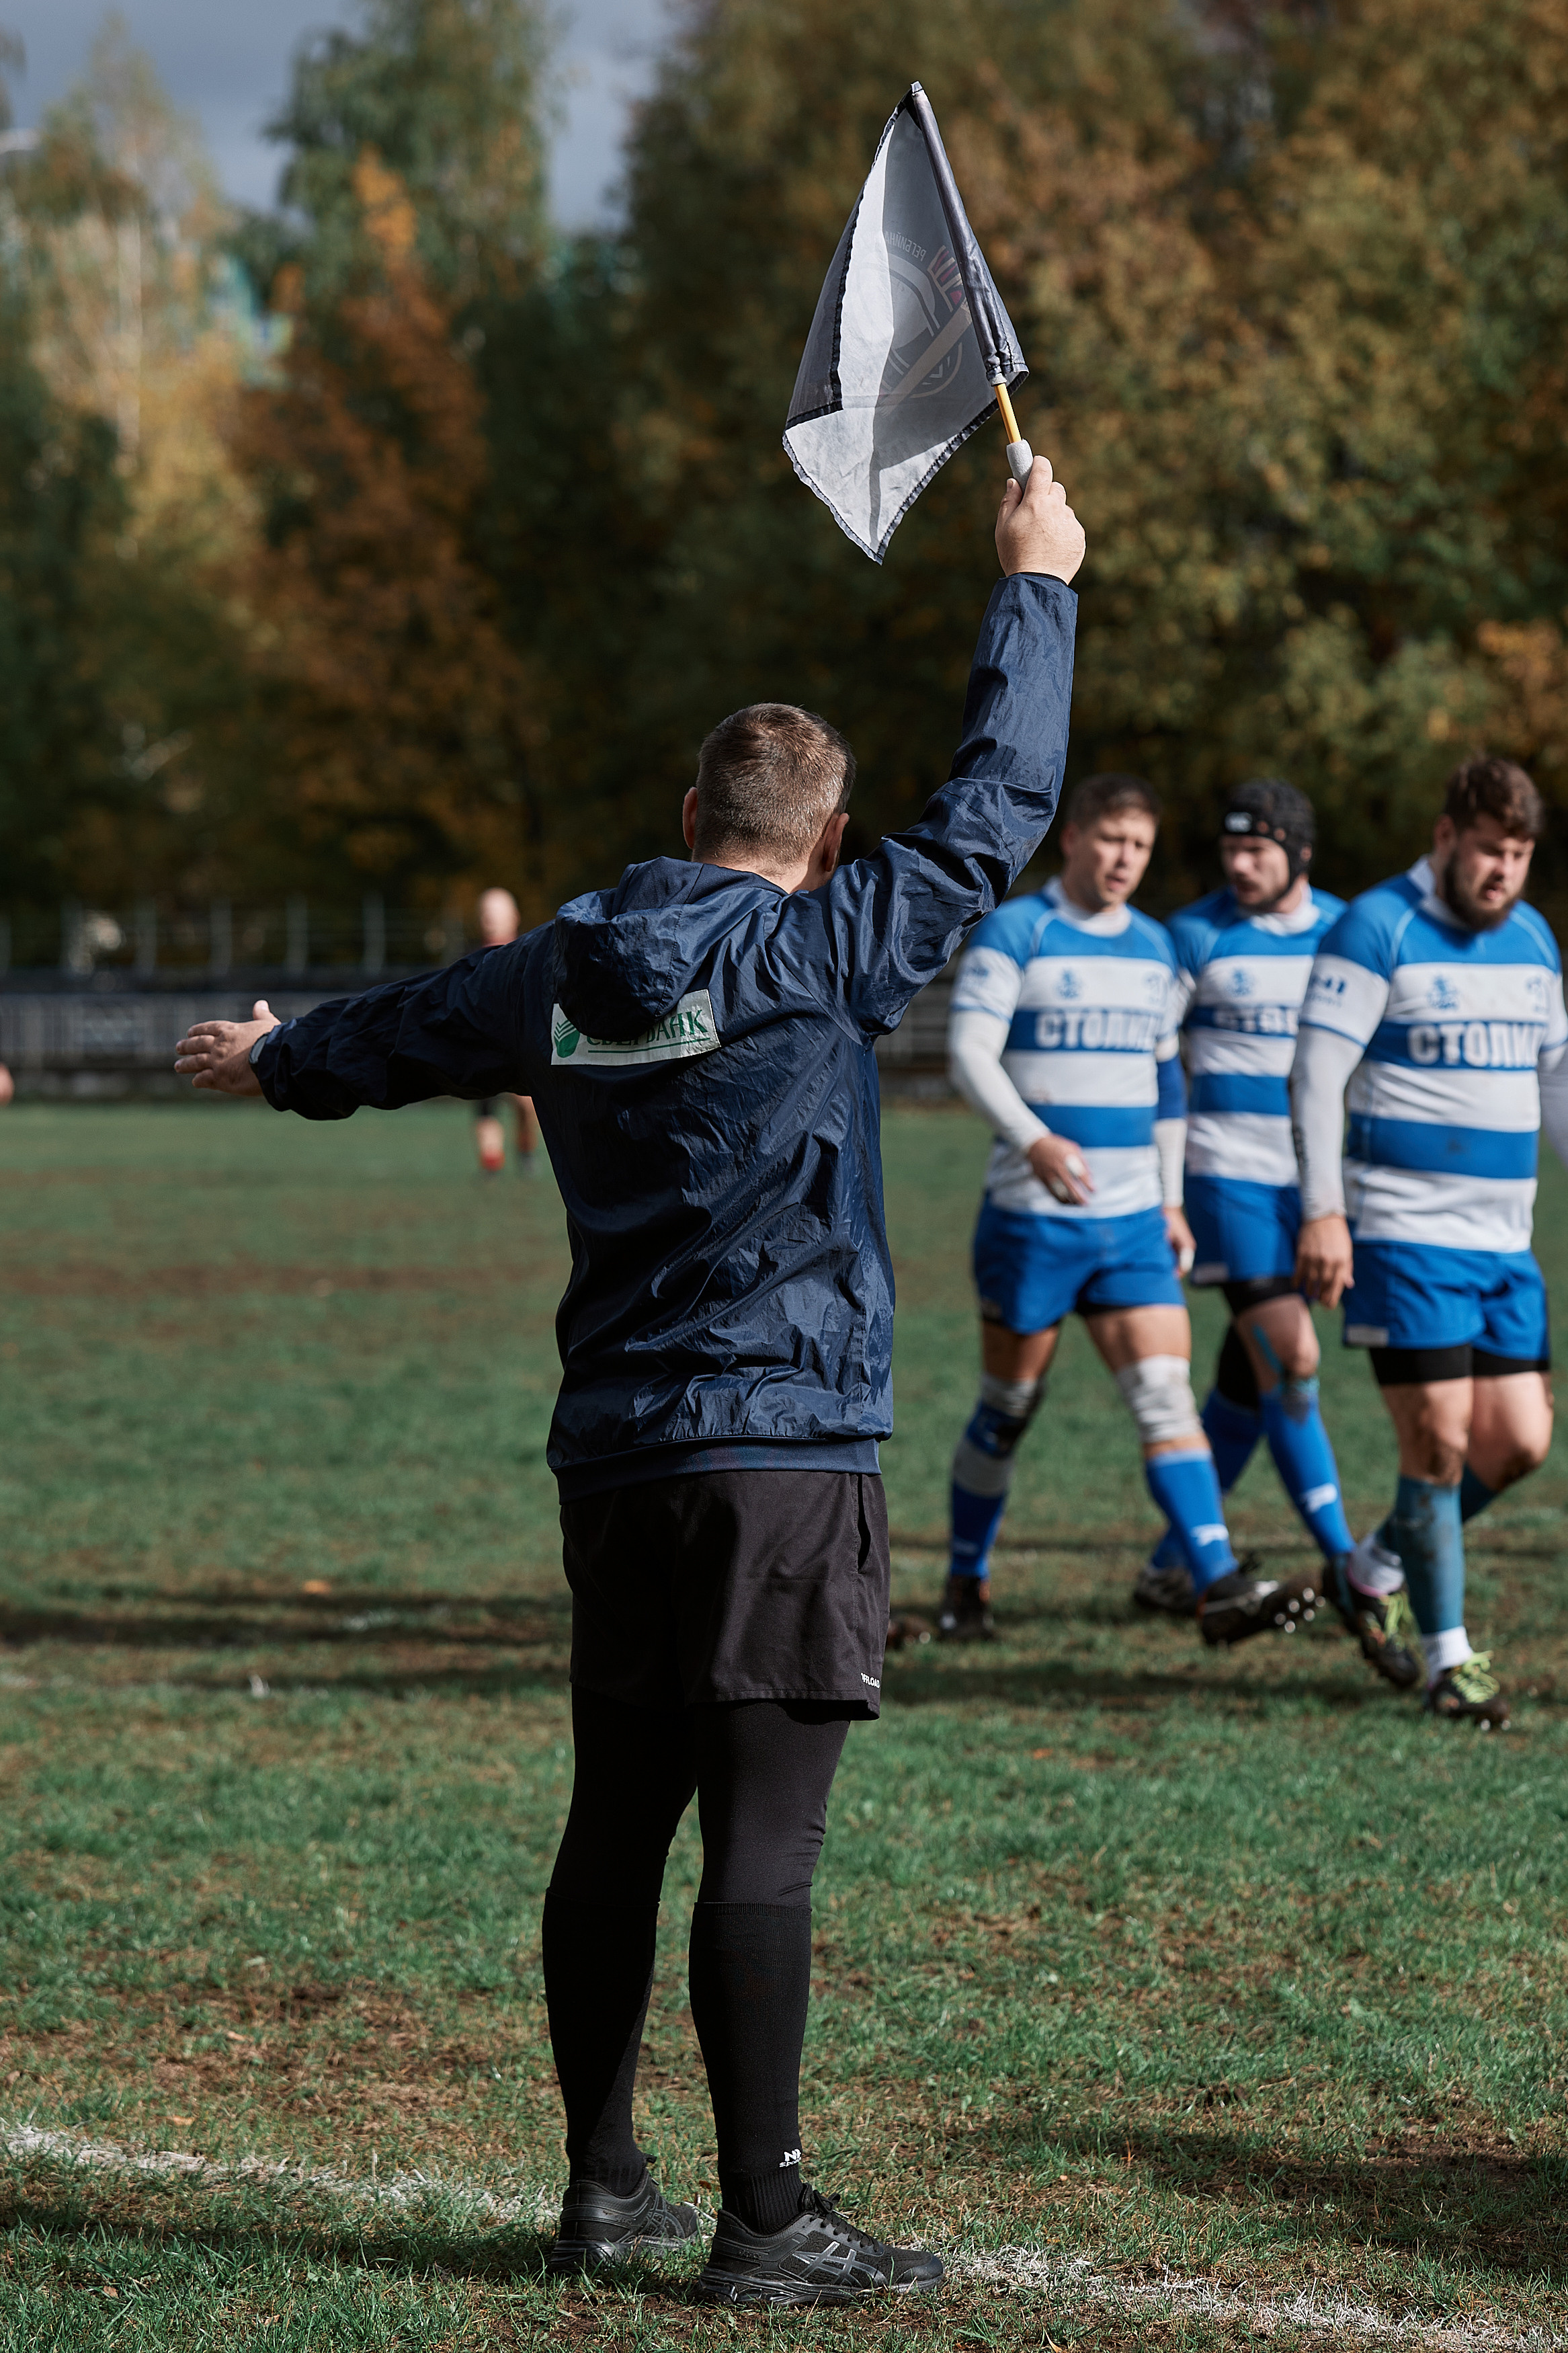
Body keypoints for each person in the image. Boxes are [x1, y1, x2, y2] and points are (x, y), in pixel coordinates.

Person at [173, 455, 1085, 2305]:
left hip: (615, 1459)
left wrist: (279, 1058)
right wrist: (1036, 585)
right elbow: (992, 812)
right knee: (764, 1837)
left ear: (687, 812)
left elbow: (406, 1024)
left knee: (616, 1814)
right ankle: (763, 2220)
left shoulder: (568, 963)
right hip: (782, 1450)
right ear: (820, 842)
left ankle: (603, 2189)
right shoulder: (829, 942)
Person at [938, 772, 1321, 1650]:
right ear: (1071, 838)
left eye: (1140, 846)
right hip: (1029, 1223)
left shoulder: (1155, 950)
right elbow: (968, 1054)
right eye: (1110, 840)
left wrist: (1173, 1202)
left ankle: (1215, 1580)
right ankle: (966, 1582)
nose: (1124, 859)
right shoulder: (1017, 931)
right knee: (1008, 1405)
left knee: (1164, 1398)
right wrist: (1032, 1139)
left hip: (1133, 1225)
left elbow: (1163, 1083)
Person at [1292, 756, 1568, 1728]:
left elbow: (1556, 1088)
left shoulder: (1533, 941)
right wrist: (1324, 1211)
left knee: (1522, 1442)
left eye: (1521, 856)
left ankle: (1369, 1570)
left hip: (1505, 1245)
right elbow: (1316, 1078)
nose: (1503, 873)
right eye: (1490, 851)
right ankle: (1453, 1664)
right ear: (1447, 838)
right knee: (1439, 1441)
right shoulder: (1377, 927)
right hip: (1402, 1235)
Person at [1144, 782, 1421, 1687]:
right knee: (1292, 1358)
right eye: (1231, 850)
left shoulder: (1350, 934)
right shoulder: (1193, 936)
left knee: (1248, 1374)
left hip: (1319, 1189)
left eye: (1259, 850)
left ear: (1300, 853)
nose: (1239, 865)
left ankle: (1169, 1562)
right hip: (1225, 1180)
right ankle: (1349, 1567)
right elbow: (1151, 1059)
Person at [471, 887, 542, 1177]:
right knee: (485, 1106)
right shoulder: (472, 962)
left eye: (497, 912)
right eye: (486, 913)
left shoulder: (530, 954)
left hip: (521, 1045)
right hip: (484, 1046)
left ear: (514, 917)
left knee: (526, 1106)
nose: (491, 919)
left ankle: (525, 1154)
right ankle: (491, 1164)